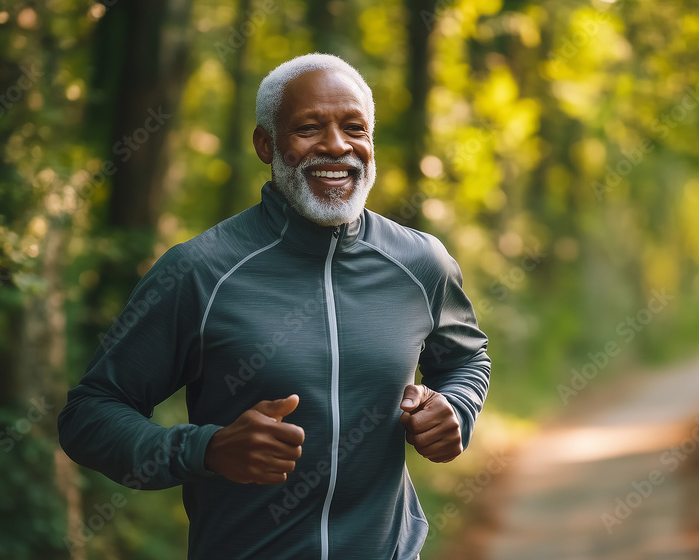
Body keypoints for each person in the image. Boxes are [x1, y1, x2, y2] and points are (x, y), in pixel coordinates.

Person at [58, 53, 490, 560]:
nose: (336, 145)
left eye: (355, 128)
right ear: (267, 144)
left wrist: (454, 407)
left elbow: (465, 358)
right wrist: (207, 449)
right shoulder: (201, 271)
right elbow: (88, 416)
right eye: (308, 128)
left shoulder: (420, 264)